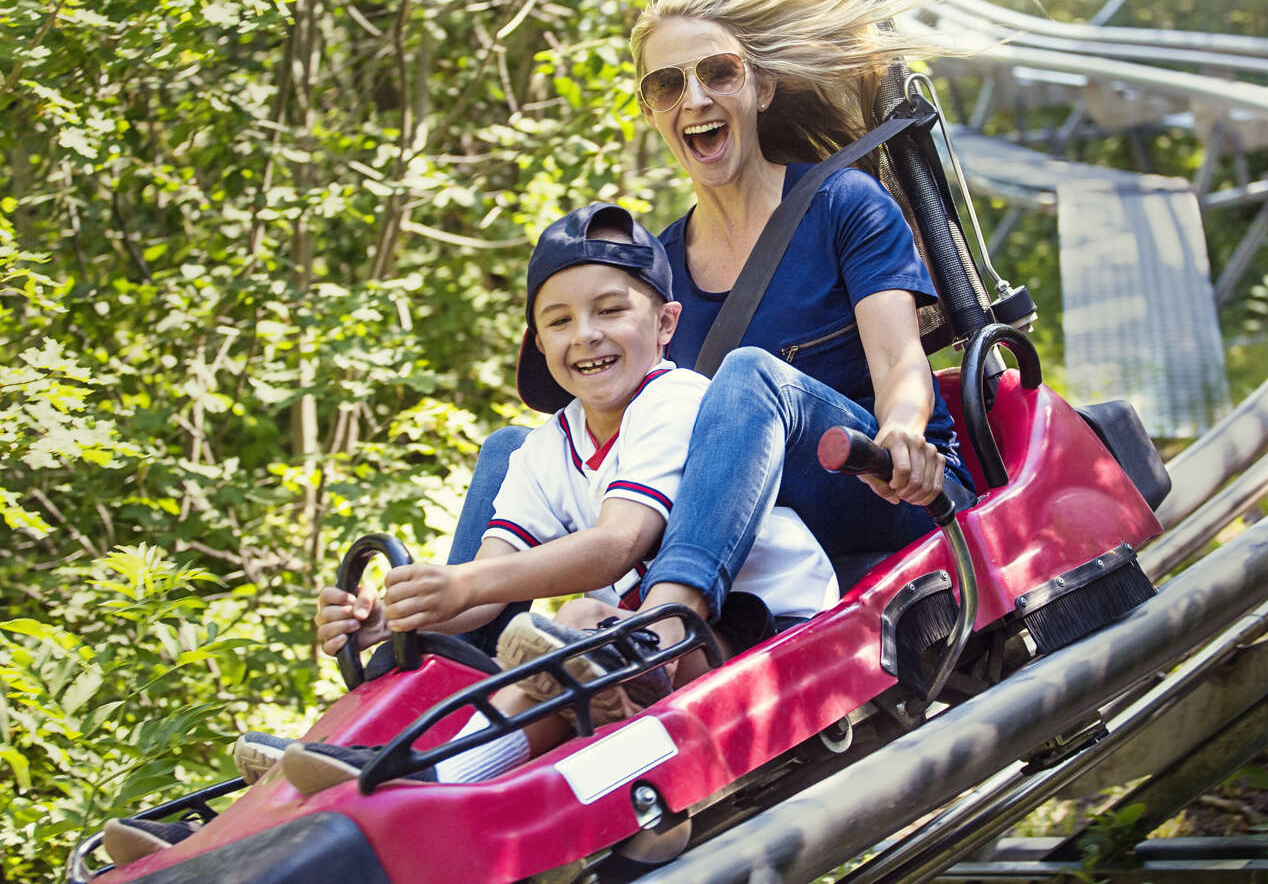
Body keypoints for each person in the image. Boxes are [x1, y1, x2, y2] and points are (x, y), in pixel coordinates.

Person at [100, 202, 837, 868]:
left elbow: (617, 544)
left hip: (756, 625)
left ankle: (423, 779)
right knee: (528, 647)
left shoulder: (676, 399)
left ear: (665, 324)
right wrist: (393, 616)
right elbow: (487, 582)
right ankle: (243, 828)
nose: (586, 336)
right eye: (559, 320)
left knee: (572, 629)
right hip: (641, 647)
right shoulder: (549, 445)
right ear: (538, 340)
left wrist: (466, 586)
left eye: (611, 310)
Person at [449, 0, 976, 667]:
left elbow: (900, 362)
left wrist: (904, 431)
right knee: (515, 449)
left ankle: (664, 627)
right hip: (748, 525)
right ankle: (429, 665)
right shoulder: (655, 272)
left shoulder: (842, 206)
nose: (694, 97)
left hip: (884, 484)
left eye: (718, 73)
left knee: (748, 375)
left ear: (760, 87)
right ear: (652, 108)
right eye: (669, 84)